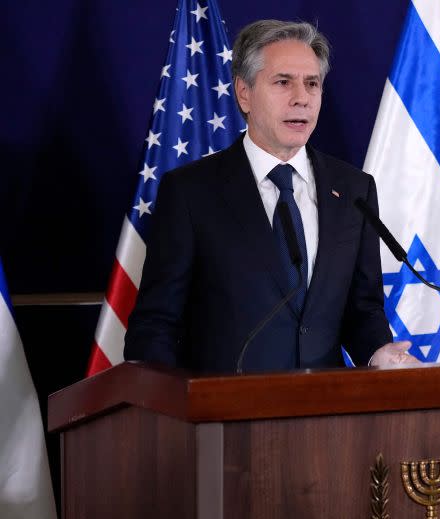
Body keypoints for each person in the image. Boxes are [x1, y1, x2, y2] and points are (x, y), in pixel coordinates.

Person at [125, 20, 415, 372]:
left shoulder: (354, 189)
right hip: (223, 414)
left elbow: (362, 308)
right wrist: (166, 406)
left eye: (312, 84)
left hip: (330, 412)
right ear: (244, 93)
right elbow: (156, 323)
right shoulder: (190, 192)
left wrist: (377, 352)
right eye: (283, 82)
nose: (301, 98)